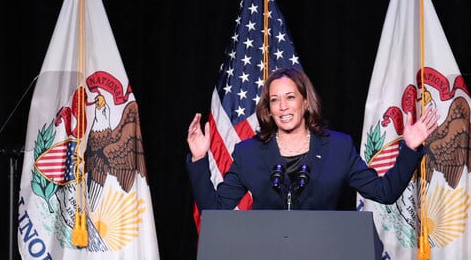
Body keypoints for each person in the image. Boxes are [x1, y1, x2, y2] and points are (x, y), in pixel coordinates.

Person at [186, 67, 439, 210]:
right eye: (275, 100)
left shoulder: (339, 148)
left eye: (290, 97)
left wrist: (409, 147)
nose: (283, 106)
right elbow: (213, 212)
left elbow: (384, 192)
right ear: (268, 108)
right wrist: (199, 159)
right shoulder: (248, 153)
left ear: (305, 102)